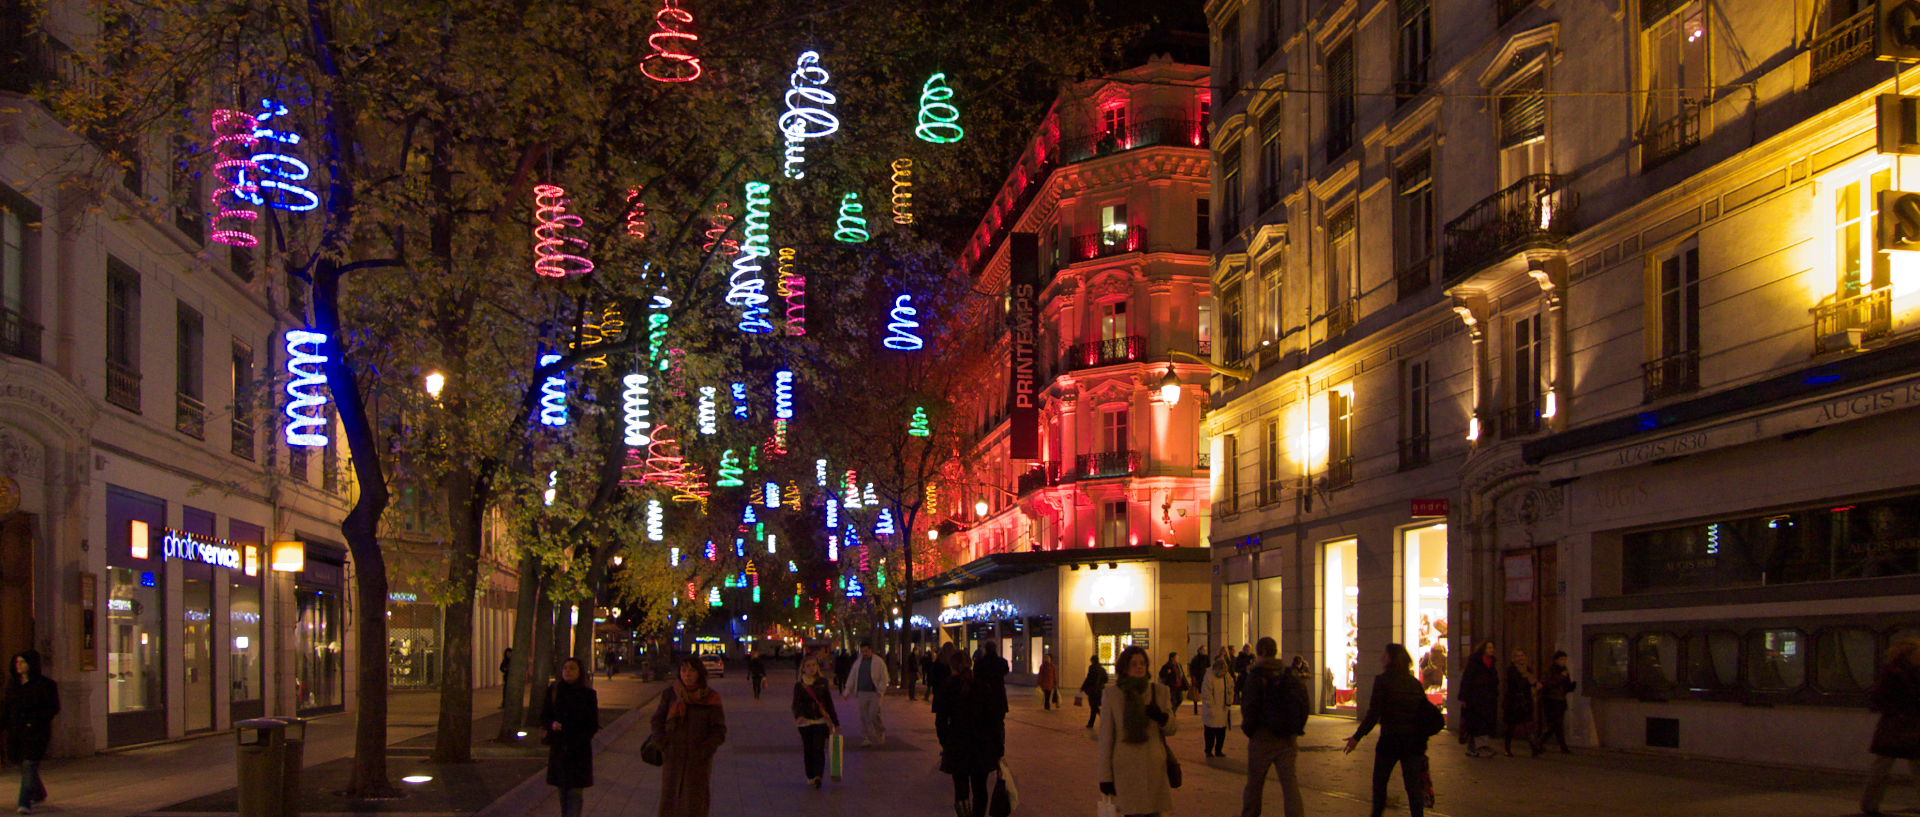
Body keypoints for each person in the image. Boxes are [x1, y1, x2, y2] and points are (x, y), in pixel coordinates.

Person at [1345, 644, 1433, 817]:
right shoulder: (1415, 683)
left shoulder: (1383, 681)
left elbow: (1373, 714)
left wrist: (1357, 737)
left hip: (1391, 740)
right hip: (1413, 742)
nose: (1381, 658)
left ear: (1390, 659)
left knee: (1380, 784)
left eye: (1384, 655)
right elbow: (1424, 712)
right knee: (1413, 788)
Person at [1098, 646, 1177, 817]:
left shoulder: (1160, 692)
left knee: (1154, 813)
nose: (1139, 667)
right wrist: (1105, 777)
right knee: (1132, 813)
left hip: (1154, 768)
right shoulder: (1112, 694)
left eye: (1142, 663)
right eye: (1134, 664)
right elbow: (1106, 739)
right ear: (1125, 668)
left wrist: (1162, 717)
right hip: (1127, 769)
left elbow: (1172, 728)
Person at [1239, 636, 1307, 817]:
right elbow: (1304, 702)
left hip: (1262, 736)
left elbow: (1249, 706)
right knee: (1290, 785)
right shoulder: (1288, 674)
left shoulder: (1256, 675)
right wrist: (1296, 728)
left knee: (1255, 784)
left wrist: (1250, 730)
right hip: (1287, 738)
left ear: (1260, 653)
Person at [650, 656, 726, 817]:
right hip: (673, 756)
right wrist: (662, 743)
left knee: (694, 803)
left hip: (697, 760)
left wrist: (704, 750)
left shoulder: (710, 697)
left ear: (699, 673)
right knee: (670, 802)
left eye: (691, 670)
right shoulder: (671, 694)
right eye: (684, 670)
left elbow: (719, 730)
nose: (687, 674)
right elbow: (657, 719)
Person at [935, 651, 1004, 817]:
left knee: (961, 789)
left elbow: (941, 721)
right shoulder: (983, 687)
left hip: (958, 746)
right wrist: (999, 749)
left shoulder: (947, 687)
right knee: (980, 789)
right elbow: (995, 721)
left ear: (952, 667)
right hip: (982, 747)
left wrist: (946, 742)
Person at [1865, 638, 1920, 815]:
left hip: (1908, 725)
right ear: (1908, 654)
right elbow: (1877, 699)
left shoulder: (1909, 672)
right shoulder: (1893, 673)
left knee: (1886, 766)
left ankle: (1870, 804)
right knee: (1883, 767)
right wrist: (1898, 712)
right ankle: (1869, 805)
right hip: (1896, 726)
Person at [540, 657, 599, 817]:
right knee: (562, 792)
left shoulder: (588, 694)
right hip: (559, 749)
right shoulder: (554, 691)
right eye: (565, 668)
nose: (568, 671)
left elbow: (593, 724)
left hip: (578, 751)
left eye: (572, 668)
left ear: (580, 672)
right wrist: (552, 724)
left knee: (575, 793)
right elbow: (544, 716)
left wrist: (579, 737)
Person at [2, 651, 56, 814]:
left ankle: (24, 802)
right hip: (17, 733)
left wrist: (35, 721)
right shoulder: (13, 685)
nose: (19, 665)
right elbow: (6, 709)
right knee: (23, 764)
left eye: (23, 662)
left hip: (36, 732)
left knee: (29, 764)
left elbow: (52, 708)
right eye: (17, 662)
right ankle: (38, 792)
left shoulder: (46, 685)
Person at [791, 656, 839, 789]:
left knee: (818, 748)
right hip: (805, 722)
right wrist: (799, 715)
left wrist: (835, 721)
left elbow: (828, 703)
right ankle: (810, 775)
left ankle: (818, 776)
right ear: (803, 669)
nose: (811, 668)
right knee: (808, 749)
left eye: (814, 665)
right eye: (808, 666)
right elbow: (796, 703)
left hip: (820, 721)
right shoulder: (799, 685)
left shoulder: (823, 682)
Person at [841, 641, 890, 746]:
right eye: (862, 651)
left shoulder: (878, 662)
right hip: (862, 692)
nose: (864, 653)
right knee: (864, 716)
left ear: (871, 650)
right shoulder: (858, 662)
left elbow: (884, 677)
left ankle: (880, 730)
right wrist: (847, 690)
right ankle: (866, 737)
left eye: (866, 651)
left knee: (873, 714)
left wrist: (880, 690)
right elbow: (852, 677)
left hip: (874, 693)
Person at [1459, 640, 1499, 758]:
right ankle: (1475, 747)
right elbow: (1466, 680)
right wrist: (1464, 698)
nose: (1491, 650)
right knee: (1475, 723)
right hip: (1475, 698)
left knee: (1485, 722)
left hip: (1488, 699)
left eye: (1492, 648)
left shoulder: (1491, 663)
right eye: (1489, 648)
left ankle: (1482, 745)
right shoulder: (1475, 663)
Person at [1503, 649, 1540, 757]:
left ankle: (1534, 747)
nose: (1520, 658)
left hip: (1526, 700)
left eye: (1522, 655)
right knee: (1511, 726)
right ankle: (1507, 748)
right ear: (1513, 658)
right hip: (1514, 702)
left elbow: (1532, 682)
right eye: (1517, 656)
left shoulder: (1528, 669)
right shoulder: (1511, 670)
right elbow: (1514, 683)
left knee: (1528, 725)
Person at [1537, 651, 1575, 754]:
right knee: (1555, 724)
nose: (1564, 662)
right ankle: (1541, 742)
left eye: (1565, 659)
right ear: (1556, 660)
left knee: (1557, 724)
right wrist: (1561, 677)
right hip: (1551, 700)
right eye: (1561, 659)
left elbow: (1565, 686)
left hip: (1560, 700)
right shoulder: (1551, 670)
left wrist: (1570, 686)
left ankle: (1558, 745)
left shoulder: (1564, 670)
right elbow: (1547, 683)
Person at [1200, 647, 1233, 758]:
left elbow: (1230, 688)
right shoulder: (1209, 675)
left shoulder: (1227, 676)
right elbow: (1206, 692)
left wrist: (1229, 701)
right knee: (1210, 731)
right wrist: (1210, 706)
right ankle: (1208, 750)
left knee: (1221, 732)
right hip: (1212, 709)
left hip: (1223, 707)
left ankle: (1219, 750)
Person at [1080, 652, 1110, 732]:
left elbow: (1089, 679)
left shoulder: (1092, 668)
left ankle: (1100, 719)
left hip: (1093, 691)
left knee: (1094, 706)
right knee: (1095, 706)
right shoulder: (1102, 669)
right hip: (1100, 691)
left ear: (1092, 661)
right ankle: (1091, 723)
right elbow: (1106, 679)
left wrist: (1083, 687)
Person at [927, 644, 954, 712]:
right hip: (949, 693)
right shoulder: (952, 663)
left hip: (939, 693)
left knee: (941, 717)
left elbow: (933, 676)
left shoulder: (938, 662)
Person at [1188, 649, 1212, 714]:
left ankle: (1204, 708)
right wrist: (1193, 677)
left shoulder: (1206, 658)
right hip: (1198, 678)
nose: (1204, 651)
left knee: (1204, 693)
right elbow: (1192, 669)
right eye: (1203, 650)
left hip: (1203, 677)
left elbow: (1208, 666)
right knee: (1196, 694)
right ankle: (1196, 709)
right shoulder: (1195, 659)